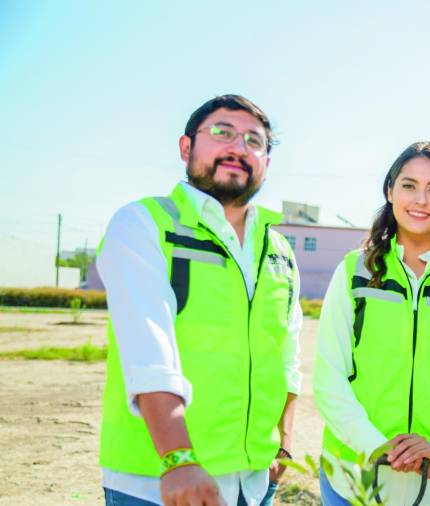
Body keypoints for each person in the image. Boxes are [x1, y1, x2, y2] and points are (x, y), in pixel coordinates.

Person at [97, 94, 301, 506]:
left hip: (252, 482)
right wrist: (179, 458)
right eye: (223, 133)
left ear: (266, 161)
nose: (238, 147)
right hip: (160, 481)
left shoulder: (277, 249)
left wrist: (283, 444)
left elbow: (286, 355)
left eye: (254, 141)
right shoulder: (144, 224)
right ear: (186, 146)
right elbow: (149, 350)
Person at [313, 141, 430, 505]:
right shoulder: (355, 271)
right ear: (390, 190)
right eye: (409, 185)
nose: (421, 200)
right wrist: (375, 445)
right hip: (353, 482)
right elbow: (328, 374)